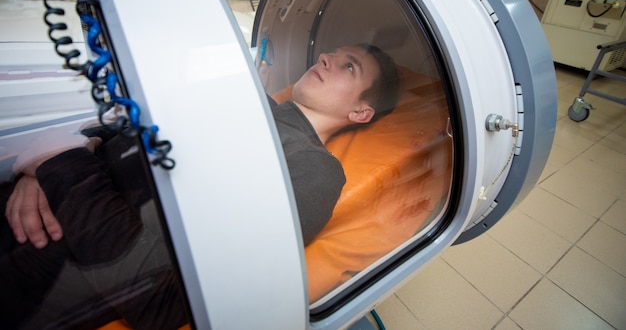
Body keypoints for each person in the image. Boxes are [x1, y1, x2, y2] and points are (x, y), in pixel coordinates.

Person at [0, 44, 400, 329]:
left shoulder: (314, 170)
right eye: (333, 53)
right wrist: (37, 173)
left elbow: (160, 304)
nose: (327, 57)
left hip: (35, 267)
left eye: (350, 67)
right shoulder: (244, 98)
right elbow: (118, 128)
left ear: (360, 111)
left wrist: (61, 163)